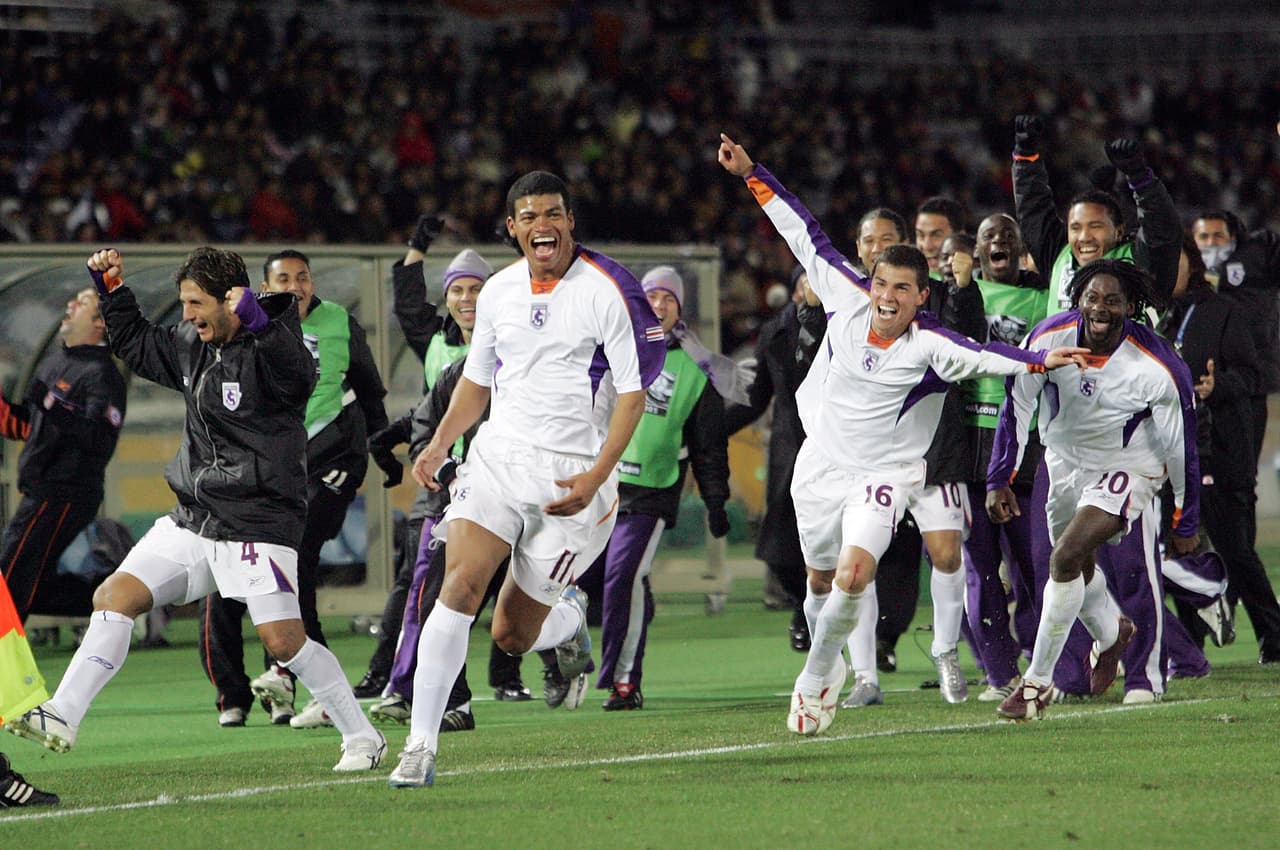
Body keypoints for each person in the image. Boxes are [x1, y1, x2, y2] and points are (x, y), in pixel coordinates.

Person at [716, 133, 1085, 736]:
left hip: (883, 476)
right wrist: (753, 172)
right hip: (820, 465)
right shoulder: (844, 293)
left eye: (901, 290)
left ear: (920, 297)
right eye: (882, 284)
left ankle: (812, 682)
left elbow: (989, 355)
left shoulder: (931, 344)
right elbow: (801, 229)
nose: (887, 297)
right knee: (818, 582)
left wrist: (1042, 361)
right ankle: (832, 662)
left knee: (854, 576)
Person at [7, 247, 387, 772]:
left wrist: (261, 321)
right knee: (115, 595)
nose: (186, 314)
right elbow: (139, 343)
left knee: (283, 640)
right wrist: (113, 291)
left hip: (257, 519)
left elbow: (298, 376)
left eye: (195, 303)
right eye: (184, 303)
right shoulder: (192, 344)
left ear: (232, 299)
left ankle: (363, 736)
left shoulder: (274, 340)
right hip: (195, 516)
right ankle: (64, 714)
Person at [386, 171, 665, 787]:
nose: (544, 224)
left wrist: (597, 476)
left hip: (571, 480)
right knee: (456, 588)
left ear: (570, 222)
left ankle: (568, 623)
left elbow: (632, 394)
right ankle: (420, 747)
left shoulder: (610, 290)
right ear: (513, 228)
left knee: (512, 635)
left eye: (555, 213)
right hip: (496, 462)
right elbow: (478, 380)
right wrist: (437, 441)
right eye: (530, 215)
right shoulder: (498, 292)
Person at [988, 260, 1199, 719]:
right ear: (1078, 299)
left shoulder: (1158, 364)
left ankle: (1034, 686)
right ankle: (1111, 633)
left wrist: (1187, 513)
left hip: (1130, 463)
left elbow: (1181, 444)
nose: (1101, 308)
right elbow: (1016, 405)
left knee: (1061, 558)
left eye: (1113, 300)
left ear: (1131, 307)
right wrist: (999, 476)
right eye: (1093, 298)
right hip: (1064, 461)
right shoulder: (1047, 338)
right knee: (1076, 567)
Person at [197, 249, 394, 729]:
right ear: (264, 287)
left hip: (329, 462)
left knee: (294, 555)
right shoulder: (241, 328)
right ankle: (237, 694)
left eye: (303, 277)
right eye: (284, 278)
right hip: (265, 470)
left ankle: (284, 671)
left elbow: (369, 391)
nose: (296, 285)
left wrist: (383, 449)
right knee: (222, 574)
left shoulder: (340, 323)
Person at [588, 265, 737, 711]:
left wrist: (716, 500)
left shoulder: (696, 369)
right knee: (585, 579)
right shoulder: (614, 350)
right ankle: (567, 656)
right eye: (651, 295)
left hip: (653, 490)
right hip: (601, 484)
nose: (659, 303)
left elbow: (708, 445)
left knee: (624, 577)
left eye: (669, 297)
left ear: (680, 308)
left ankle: (623, 681)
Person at [1157, 237, 1280, 664]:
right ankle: (1192, 641)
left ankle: (1273, 634)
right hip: (1169, 452)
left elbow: (1251, 377)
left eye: (1171, 260)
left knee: (1234, 548)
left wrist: (1216, 386)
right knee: (1175, 549)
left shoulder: (1223, 312)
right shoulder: (1155, 318)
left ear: (1191, 263)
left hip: (1220, 448)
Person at [954, 214, 1052, 703]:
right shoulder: (960, 296)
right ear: (976, 249)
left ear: (1021, 251)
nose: (999, 243)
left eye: (1008, 237)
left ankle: (1043, 659)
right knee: (981, 565)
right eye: (989, 236)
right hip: (970, 446)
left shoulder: (1042, 301)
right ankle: (998, 671)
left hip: (1026, 445)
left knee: (1035, 561)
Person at [0, 286, 126, 621]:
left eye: (83, 303)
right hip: (40, 489)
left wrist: (53, 405)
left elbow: (98, 439)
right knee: (27, 583)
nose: (70, 304)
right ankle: (121, 596)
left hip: (64, 492)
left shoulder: (102, 375)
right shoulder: (55, 362)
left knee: (10, 577)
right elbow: (28, 426)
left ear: (100, 324)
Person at [723, 266, 827, 654]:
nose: (809, 290)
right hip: (789, 448)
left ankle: (852, 628)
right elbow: (756, 397)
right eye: (804, 282)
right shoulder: (775, 332)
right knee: (780, 546)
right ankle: (805, 608)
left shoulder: (845, 329)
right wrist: (713, 428)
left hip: (839, 448)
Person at [1011, 116, 1181, 313]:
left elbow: (1161, 229)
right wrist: (1025, 156)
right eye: (1076, 227)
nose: (1084, 237)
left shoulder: (1140, 262)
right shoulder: (1058, 255)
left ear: (1118, 231)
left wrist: (1140, 178)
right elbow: (1032, 208)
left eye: (1095, 226)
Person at [1190, 212, 1280, 476]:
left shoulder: (1256, 262)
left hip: (1248, 388)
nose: (1211, 243)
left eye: (1218, 235)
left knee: (1241, 476)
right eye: (1203, 236)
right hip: (1198, 387)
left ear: (1234, 238)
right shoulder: (1182, 271)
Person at [915, 196, 966, 276]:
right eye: (920, 235)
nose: (927, 246)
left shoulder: (981, 284)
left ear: (960, 238)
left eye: (936, 235)